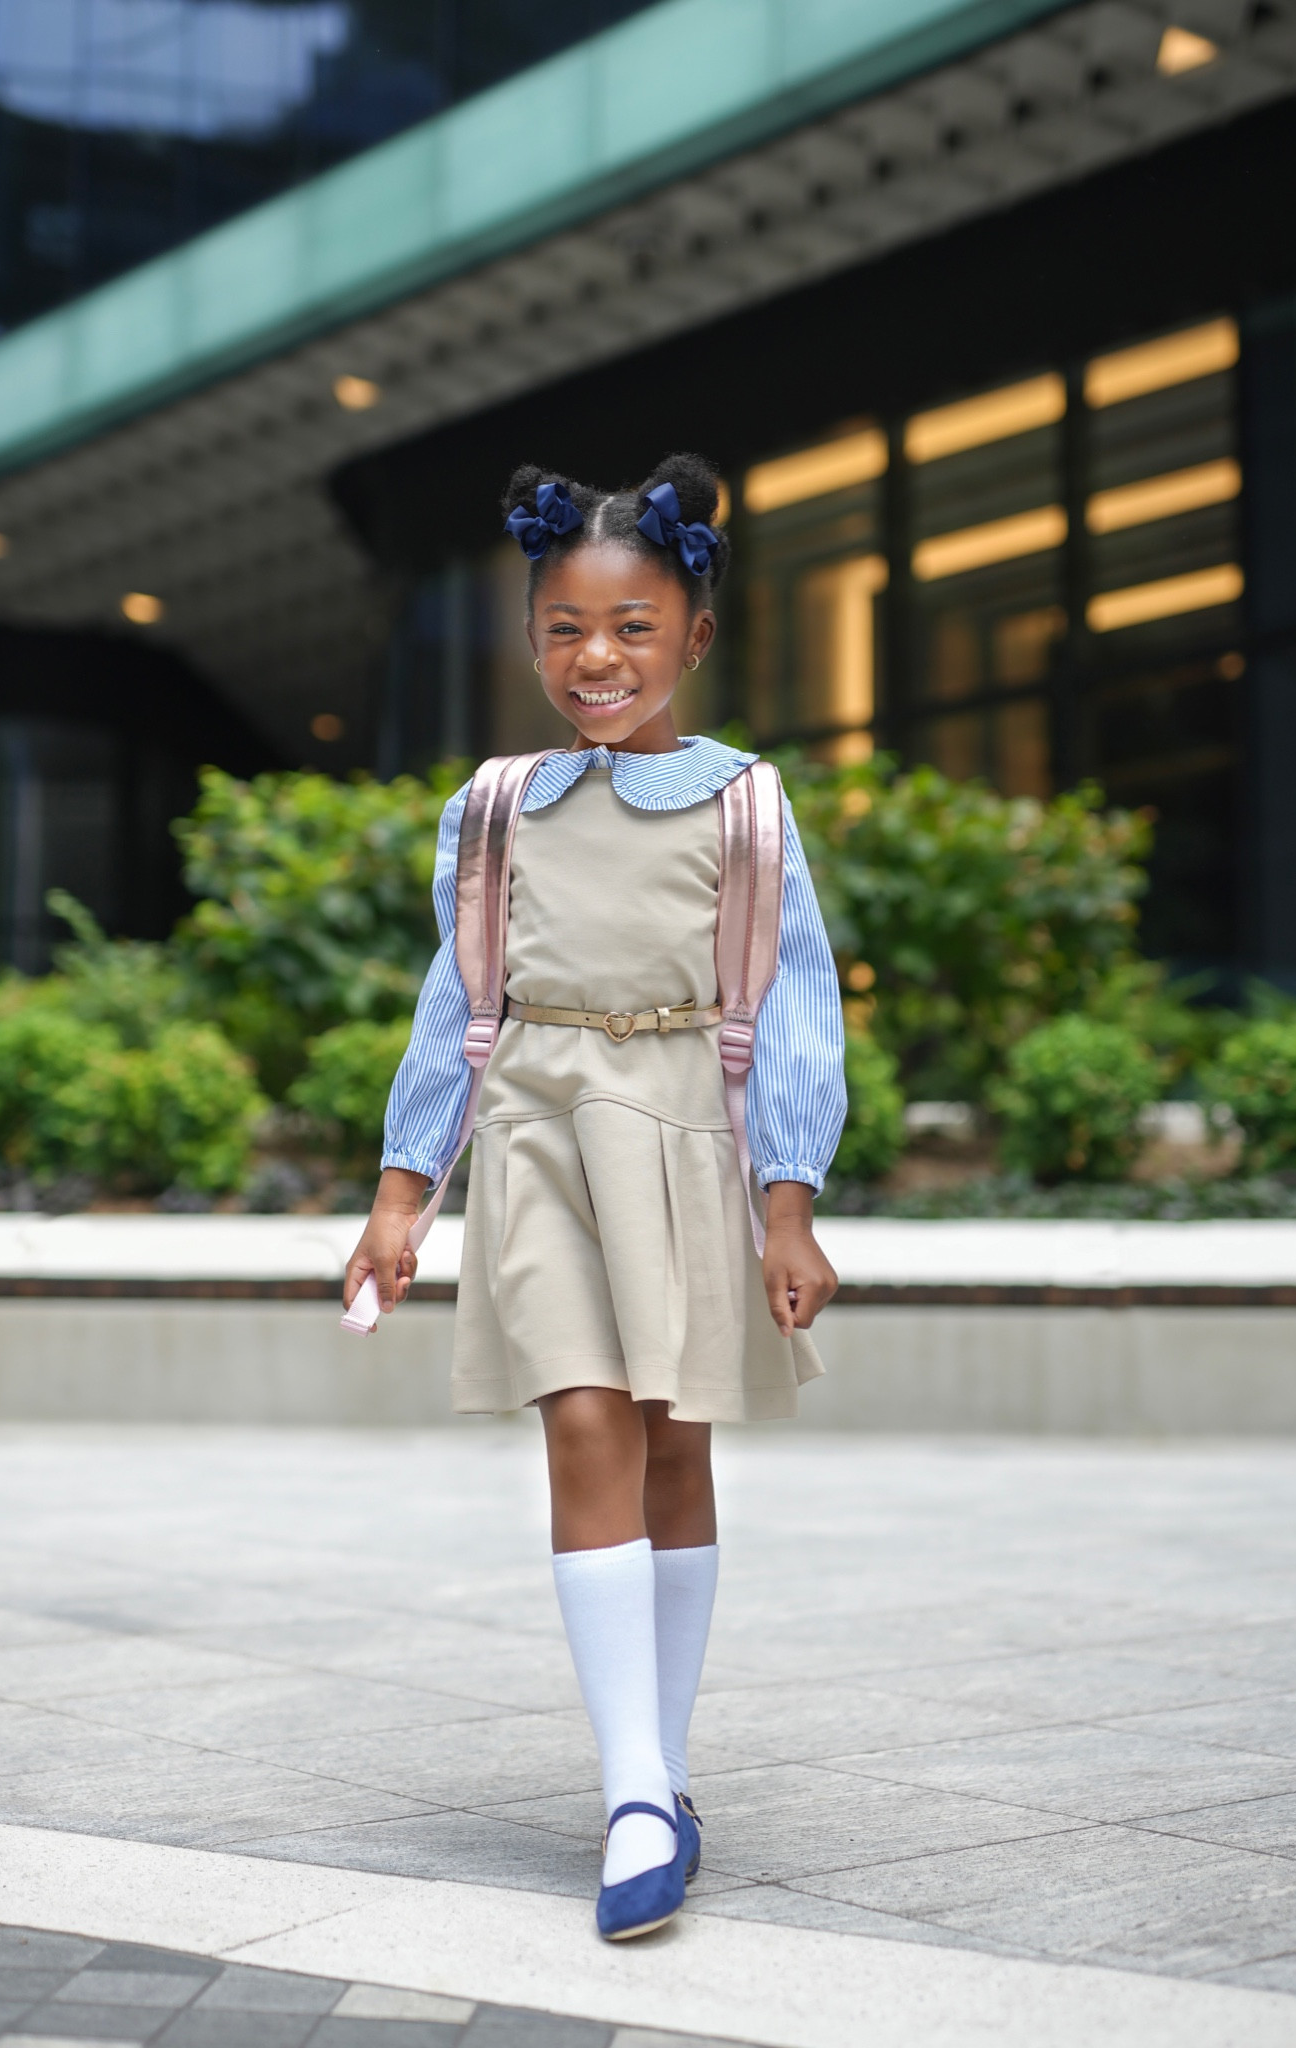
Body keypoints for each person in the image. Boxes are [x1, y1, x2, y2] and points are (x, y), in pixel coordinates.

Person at [344, 452, 846, 1940]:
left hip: (690, 1128)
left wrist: (790, 1204)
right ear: (529, 638)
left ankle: (668, 1767)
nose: (595, 658)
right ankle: (632, 1789)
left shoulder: (749, 810)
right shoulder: (494, 810)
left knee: (675, 1443)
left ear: (693, 637)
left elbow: (800, 1007)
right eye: (564, 627)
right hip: (542, 1133)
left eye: (631, 627)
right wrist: (399, 1191)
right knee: (582, 1418)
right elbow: (457, 1004)